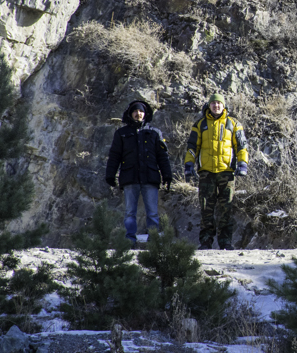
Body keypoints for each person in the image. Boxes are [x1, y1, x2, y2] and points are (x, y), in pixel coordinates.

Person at [183, 93, 248, 250]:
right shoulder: (199, 124)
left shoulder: (233, 124)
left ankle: (226, 242)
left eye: (219, 103)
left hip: (227, 173)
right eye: (213, 103)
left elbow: (241, 146)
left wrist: (242, 164)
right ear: (209, 105)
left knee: (227, 208)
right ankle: (206, 241)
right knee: (206, 209)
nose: (216, 106)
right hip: (206, 173)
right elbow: (192, 147)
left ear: (224, 106)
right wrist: (189, 165)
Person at [105, 100, 172, 246]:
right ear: (130, 114)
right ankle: (130, 240)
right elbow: (115, 155)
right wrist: (110, 174)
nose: (138, 114)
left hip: (150, 177)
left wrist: (167, 174)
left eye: (141, 111)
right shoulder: (121, 134)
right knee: (130, 213)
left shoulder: (155, 133)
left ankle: (153, 240)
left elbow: (162, 156)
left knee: (153, 213)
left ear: (145, 114)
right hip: (130, 178)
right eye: (135, 111)